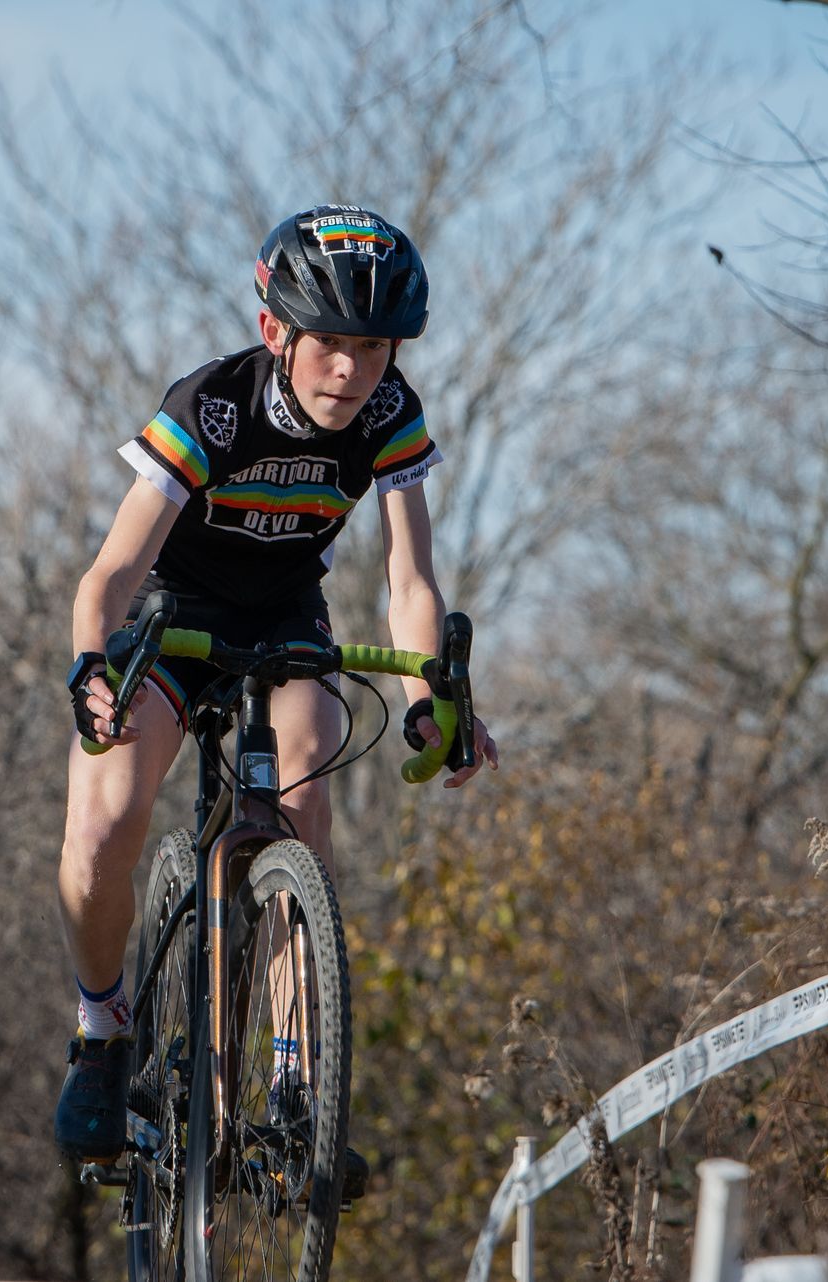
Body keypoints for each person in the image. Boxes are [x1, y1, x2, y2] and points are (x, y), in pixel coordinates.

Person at [53, 205, 500, 1163]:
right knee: (102, 828)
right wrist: (94, 660)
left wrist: (431, 700)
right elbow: (111, 574)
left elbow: (411, 583)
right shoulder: (212, 405)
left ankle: (299, 1079)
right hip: (176, 614)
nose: (352, 371)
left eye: (373, 348)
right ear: (276, 333)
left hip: (288, 613)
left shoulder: (390, 412)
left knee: (307, 795)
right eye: (331, 344)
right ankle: (101, 1032)